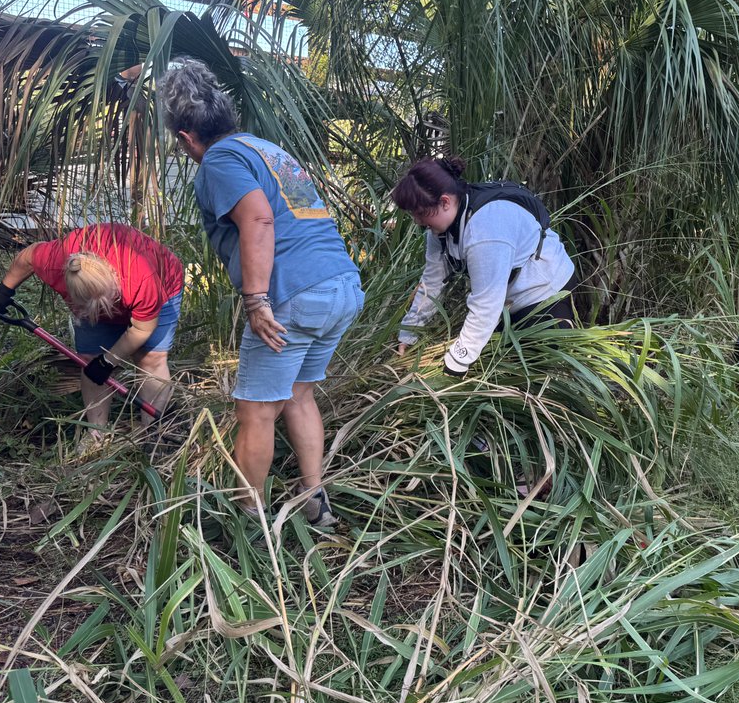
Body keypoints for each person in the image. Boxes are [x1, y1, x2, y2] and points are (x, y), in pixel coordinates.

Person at [160, 57, 364, 527]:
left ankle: (249, 523)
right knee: (298, 395)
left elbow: (258, 218)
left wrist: (256, 299)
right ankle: (317, 505)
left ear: (186, 137)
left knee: (254, 410)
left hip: (293, 293)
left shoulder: (218, 159)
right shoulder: (266, 150)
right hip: (340, 285)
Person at [0, 223, 183, 436]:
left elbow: (141, 330)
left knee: (150, 359)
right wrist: (4, 291)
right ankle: (96, 434)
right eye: (88, 306)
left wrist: (108, 361)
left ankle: (154, 434)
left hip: (164, 284)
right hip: (108, 287)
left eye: (103, 306)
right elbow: (27, 257)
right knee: (89, 360)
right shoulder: (54, 262)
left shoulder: (141, 277)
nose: (99, 313)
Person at [391, 150, 577, 376]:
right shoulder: (438, 232)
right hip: (510, 299)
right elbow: (431, 283)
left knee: (541, 374)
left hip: (546, 291)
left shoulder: (485, 229)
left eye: (421, 213)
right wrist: (409, 333)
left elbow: (486, 303)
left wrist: (456, 364)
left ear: (445, 202)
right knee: (503, 365)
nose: (418, 221)